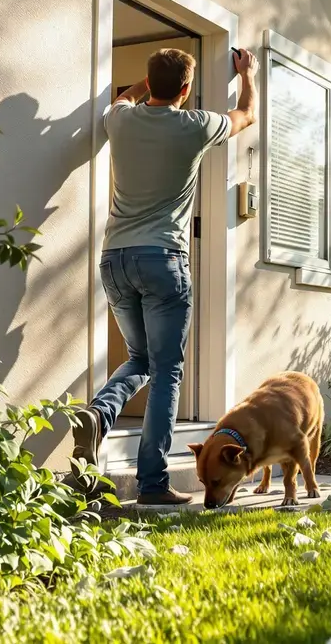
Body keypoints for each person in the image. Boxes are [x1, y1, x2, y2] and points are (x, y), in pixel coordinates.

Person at [73, 46, 259, 505]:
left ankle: (99, 414)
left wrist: (144, 83)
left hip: (115, 258)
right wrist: (247, 74)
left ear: (148, 82)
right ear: (186, 89)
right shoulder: (195, 126)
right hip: (163, 260)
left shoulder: (119, 119)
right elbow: (246, 115)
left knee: (140, 359)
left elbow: (122, 99)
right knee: (166, 371)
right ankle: (152, 484)